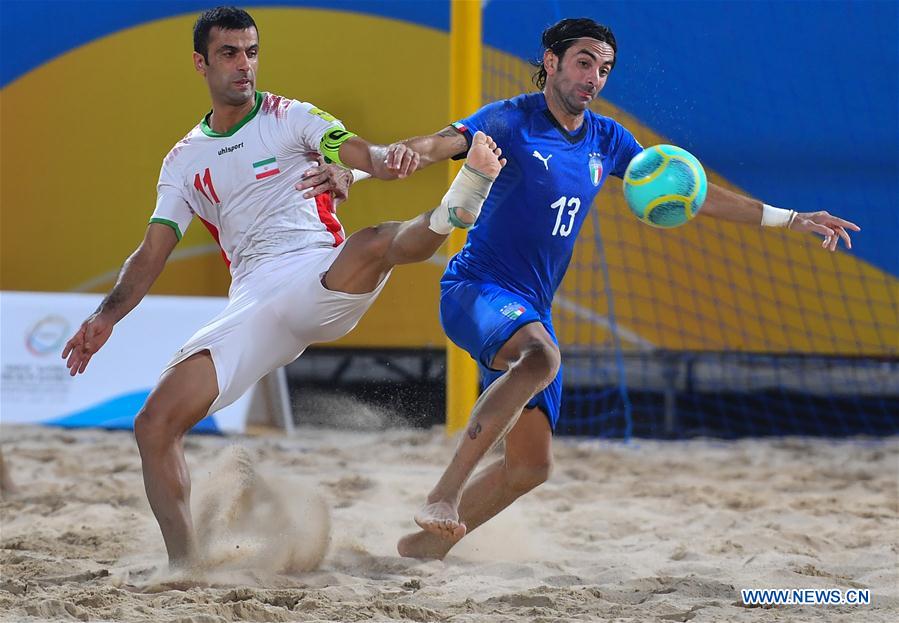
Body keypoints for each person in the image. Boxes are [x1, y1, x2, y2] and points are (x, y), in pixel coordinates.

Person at [393, 17, 861, 559]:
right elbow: (442, 142)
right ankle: (442, 496)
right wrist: (398, 155)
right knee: (543, 358)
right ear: (551, 61)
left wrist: (789, 218)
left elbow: (694, 193)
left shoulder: (608, 138)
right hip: (476, 287)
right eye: (584, 62)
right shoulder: (510, 120)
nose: (594, 77)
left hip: (529, 306)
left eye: (605, 68)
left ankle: (422, 549)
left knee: (530, 468)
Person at [60, 6, 504, 567]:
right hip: (253, 304)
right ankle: (185, 570)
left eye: (251, 51)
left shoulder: (291, 116)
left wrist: (381, 160)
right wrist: (105, 318)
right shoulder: (183, 160)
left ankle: (456, 209)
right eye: (229, 53)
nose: (244, 65)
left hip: (319, 273)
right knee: (153, 425)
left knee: (373, 242)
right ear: (201, 63)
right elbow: (152, 253)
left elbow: (363, 154)